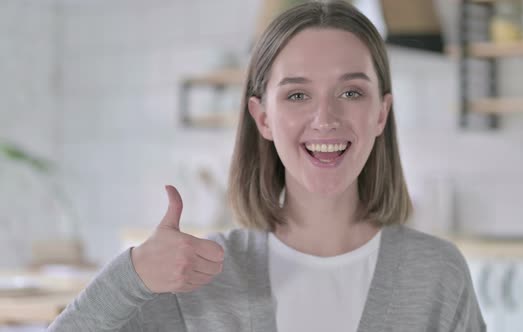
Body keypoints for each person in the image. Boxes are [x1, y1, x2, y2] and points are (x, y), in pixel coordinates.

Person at [48, 1, 486, 331]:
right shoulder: (202, 278)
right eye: (297, 95)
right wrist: (133, 275)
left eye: (351, 93)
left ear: (381, 114)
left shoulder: (435, 274)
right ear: (262, 118)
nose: (326, 118)